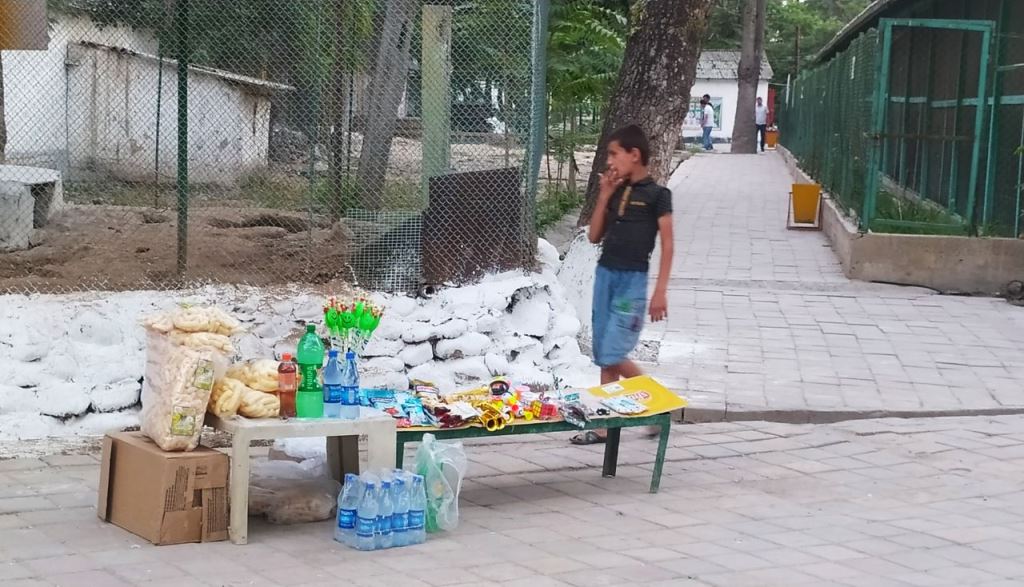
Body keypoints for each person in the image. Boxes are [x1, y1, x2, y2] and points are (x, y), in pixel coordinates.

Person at [571, 125, 674, 445]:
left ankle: (657, 404)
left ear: (635, 155)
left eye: (614, 154)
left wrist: (660, 291)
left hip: (632, 283)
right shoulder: (615, 191)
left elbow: (668, 244)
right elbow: (594, 236)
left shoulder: (658, 196)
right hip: (606, 277)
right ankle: (605, 425)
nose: (610, 161)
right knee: (604, 352)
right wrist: (604, 195)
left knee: (613, 351)